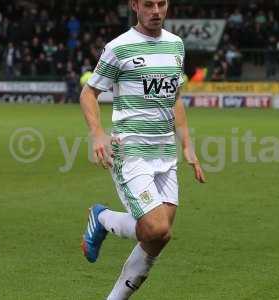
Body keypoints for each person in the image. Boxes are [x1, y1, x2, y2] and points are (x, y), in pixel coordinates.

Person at [79, 0, 206, 299]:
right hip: (131, 150)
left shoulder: (176, 45)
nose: (156, 11)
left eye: (161, 3)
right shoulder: (119, 47)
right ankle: (102, 218)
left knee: (159, 237)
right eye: (148, 4)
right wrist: (97, 133)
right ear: (134, 5)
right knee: (155, 228)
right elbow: (89, 92)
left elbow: (175, 97)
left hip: (165, 153)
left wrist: (187, 144)